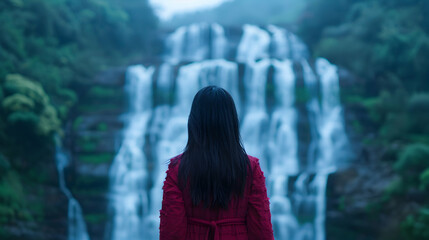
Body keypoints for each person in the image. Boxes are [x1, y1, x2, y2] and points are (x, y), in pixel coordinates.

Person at [159, 86, 274, 240]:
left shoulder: (177, 169)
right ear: (232, 121)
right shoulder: (251, 168)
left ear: (194, 121)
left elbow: (172, 231)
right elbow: (261, 229)